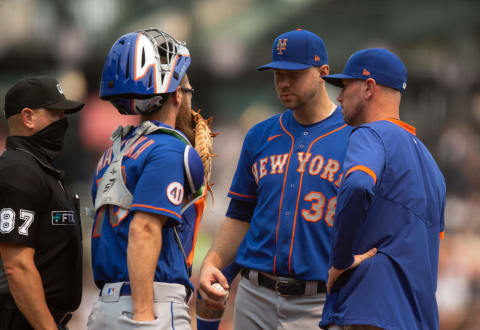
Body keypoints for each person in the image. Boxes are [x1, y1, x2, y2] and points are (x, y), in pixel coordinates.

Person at [198, 28, 353, 330]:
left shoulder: (354, 136)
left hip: (318, 302)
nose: (283, 83)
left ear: (323, 72)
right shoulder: (260, 135)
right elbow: (240, 214)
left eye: (293, 74)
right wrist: (213, 262)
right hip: (255, 295)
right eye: (277, 74)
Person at [87, 28, 207, 330]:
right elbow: (144, 230)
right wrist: (143, 316)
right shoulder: (169, 148)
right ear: (177, 93)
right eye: (188, 90)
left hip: (105, 305)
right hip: (150, 302)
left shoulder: (115, 149)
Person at [319, 48, 446, 330]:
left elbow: (358, 184)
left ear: (368, 88)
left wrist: (340, 260)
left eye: (345, 86)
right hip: (418, 317)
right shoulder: (433, 167)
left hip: (372, 310)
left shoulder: (371, 133)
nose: (339, 97)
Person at [0, 76, 84, 330]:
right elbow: (17, 266)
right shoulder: (18, 170)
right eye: (55, 114)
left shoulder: (39, 169)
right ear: (28, 117)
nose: (63, 122)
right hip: (20, 320)